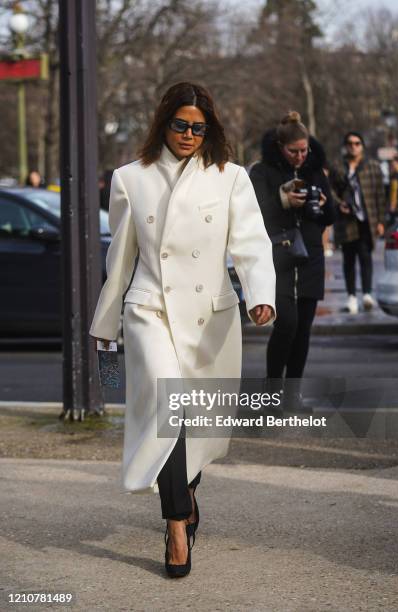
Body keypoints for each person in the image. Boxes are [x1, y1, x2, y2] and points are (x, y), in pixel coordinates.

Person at [89, 82, 276, 578]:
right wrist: (105, 320)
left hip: (209, 316)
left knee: (197, 420)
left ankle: (186, 493)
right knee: (168, 407)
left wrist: (261, 296)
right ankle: (175, 525)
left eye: (199, 127)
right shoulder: (130, 178)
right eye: (180, 125)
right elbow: (120, 257)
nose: (190, 134)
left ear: (208, 128)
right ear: (163, 123)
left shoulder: (230, 178)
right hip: (150, 309)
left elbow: (252, 245)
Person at [250, 111, 334, 412]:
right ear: (279, 147)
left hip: (309, 257)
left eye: (304, 150)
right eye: (293, 151)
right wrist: (283, 201)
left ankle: (292, 396)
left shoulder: (315, 171)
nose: (300, 156)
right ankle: (272, 393)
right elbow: (254, 213)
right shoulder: (262, 172)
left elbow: (331, 216)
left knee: (304, 330)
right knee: (287, 324)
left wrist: (320, 205)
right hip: (279, 257)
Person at [330, 132, 385, 314]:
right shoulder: (338, 167)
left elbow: (379, 194)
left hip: (367, 220)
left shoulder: (372, 166)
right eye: (350, 143)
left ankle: (367, 294)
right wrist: (340, 205)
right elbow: (330, 191)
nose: (353, 146)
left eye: (357, 143)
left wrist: (380, 221)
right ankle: (352, 296)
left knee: (365, 257)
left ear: (362, 145)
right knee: (348, 259)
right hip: (346, 221)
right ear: (345, 146)